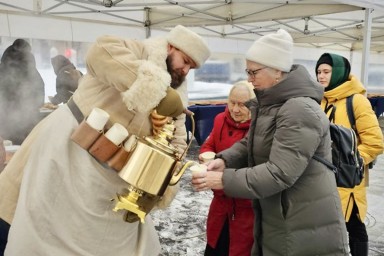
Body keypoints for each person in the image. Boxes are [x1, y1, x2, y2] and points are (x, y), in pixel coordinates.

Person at [0, 25, 210, 256]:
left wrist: (162, 184)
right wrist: (154, 88)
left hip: (113, 178)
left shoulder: (177, 91)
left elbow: (177, 141)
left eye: (192, 67)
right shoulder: (136, 51)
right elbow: (99, 51)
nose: (186, 70)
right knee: (42, 228)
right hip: (68, 152)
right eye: (185, 60)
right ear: (171, 47)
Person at [192, 29, 350, 255]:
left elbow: (279, 172)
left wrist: (223, 180)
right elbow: (251, 142)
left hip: (302, 223)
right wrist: (225, 160)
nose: (249, 78)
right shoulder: (271, 104)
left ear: (277, 71)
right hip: (280, 215)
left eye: (253, 72)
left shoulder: (298, 108)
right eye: (247, 71)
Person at [316, 53, 384, 256]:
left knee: (353, 226)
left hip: (347, 179)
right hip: (322, 177)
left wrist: (352, 161)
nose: (321, 76)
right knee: (326, 228)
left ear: (338, 73)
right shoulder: (319, 100)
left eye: (326, 71)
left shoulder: (357, 101)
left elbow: (375, 142)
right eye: (319, 72)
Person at [199, 81, 255, 256]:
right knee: (215, 247)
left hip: (246, 209)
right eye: (232, 102)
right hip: (220, 204)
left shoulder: (259, 129)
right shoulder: (220, 120)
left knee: (239, 249)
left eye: (242, 105)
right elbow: (208, 145)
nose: (235, 109)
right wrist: (207, 157)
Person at [0, 39, 45, 145]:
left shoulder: (3, 67)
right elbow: (40, 91)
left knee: (9, 153)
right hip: (28, 120)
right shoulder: (30, 67)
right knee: (27, 151)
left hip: (5, 120)